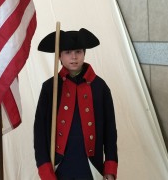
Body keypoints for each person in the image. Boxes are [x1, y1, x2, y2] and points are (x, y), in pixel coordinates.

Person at [34, 28, 118, 180]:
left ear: (84, 53)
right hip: (59, 166)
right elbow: (39, 133)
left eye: (78, 51)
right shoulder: (49, 88)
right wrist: (46, 170)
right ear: (59, 56)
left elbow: (110, 130)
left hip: (91, 166)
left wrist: (110, 169)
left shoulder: (100, 87)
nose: (73, 57)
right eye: (67, 52)